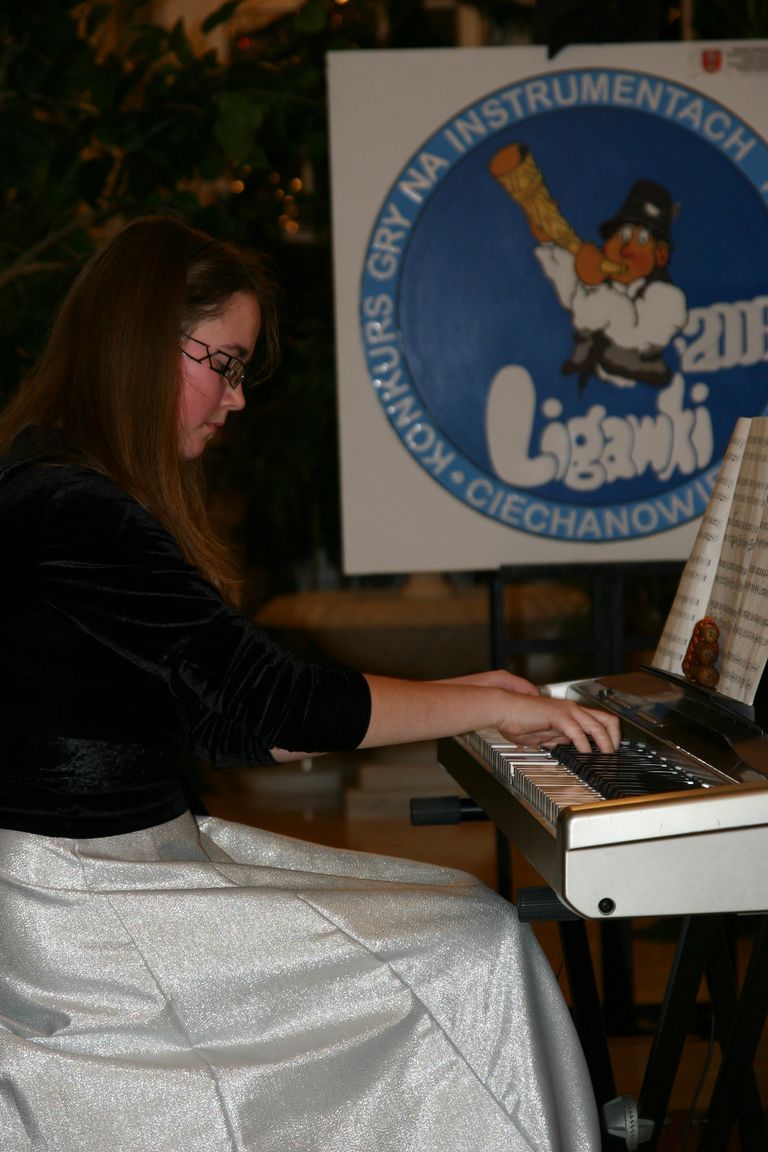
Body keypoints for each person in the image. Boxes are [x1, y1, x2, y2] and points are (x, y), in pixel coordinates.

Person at [0, 215, 620, 1151]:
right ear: (143, 342)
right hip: (81, 914)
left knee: (460, 915)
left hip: (108, 874)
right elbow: (277, 702)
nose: (236, 397)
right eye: (225, 363)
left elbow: (237, 726)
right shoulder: (73, 506)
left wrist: (472, 693)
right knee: (473, 943)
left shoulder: (56, 478)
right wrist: (491, 704)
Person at [535, 178, 688, 392]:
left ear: (661, 255)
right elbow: (567, 278)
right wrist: (549, 239)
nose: (626, 249)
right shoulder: (606, 280)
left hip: (642, 394)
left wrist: (593, 285)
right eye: (622, 235)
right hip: (584, 391)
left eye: (641, 240)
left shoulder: (667, 298)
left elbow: (629, 331)